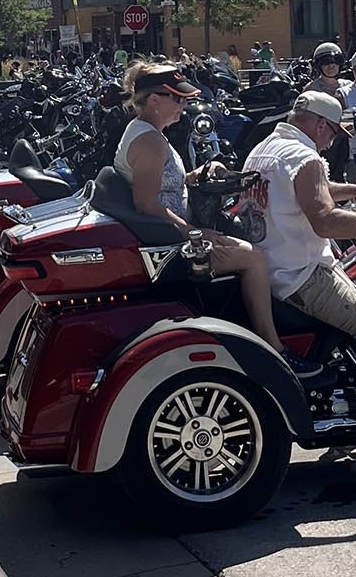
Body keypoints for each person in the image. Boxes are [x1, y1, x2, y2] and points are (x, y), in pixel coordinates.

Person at [243, 91, 356, 494]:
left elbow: (314, 193)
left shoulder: (265, 149)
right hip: (303, 275)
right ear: (320, 125)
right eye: (333, 133)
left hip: (272, 267)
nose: (333, 141)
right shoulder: (304, 157)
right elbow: (324, 219)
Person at [115, 63, 319, 377]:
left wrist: (202, 173)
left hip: (171, 235)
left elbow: (167, 185)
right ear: (154, 100)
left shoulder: (149, 134)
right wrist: (194, 231)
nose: (183, 106)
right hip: (170, 246)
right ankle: (275, 349)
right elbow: (146, 204)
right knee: (254, 257)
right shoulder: (150, 143)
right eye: (177, 100)